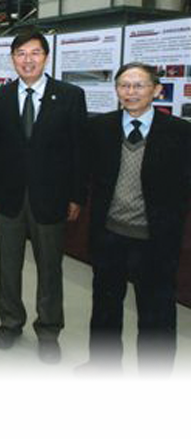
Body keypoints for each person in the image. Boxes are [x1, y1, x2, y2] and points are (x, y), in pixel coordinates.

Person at [0, 30, 87, 364]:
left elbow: (78, 150)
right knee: (8, 266)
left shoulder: (70, 96)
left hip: (51, 198)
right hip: (9, 198)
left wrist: (76, 196)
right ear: (12, 59)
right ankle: (10, 322)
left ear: (46, 57)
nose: (27, 60)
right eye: (21, 54)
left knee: (50, 268)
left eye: (35, 53)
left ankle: (48, 330)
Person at [82, 62, 191, 375]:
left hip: (155, 240)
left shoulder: (180, 132)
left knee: (156, 314)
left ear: (156, 90)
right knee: (105, 308)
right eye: (124, 85)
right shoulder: (100, 128)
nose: (130, 92)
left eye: (139, 85)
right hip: (109, 235)